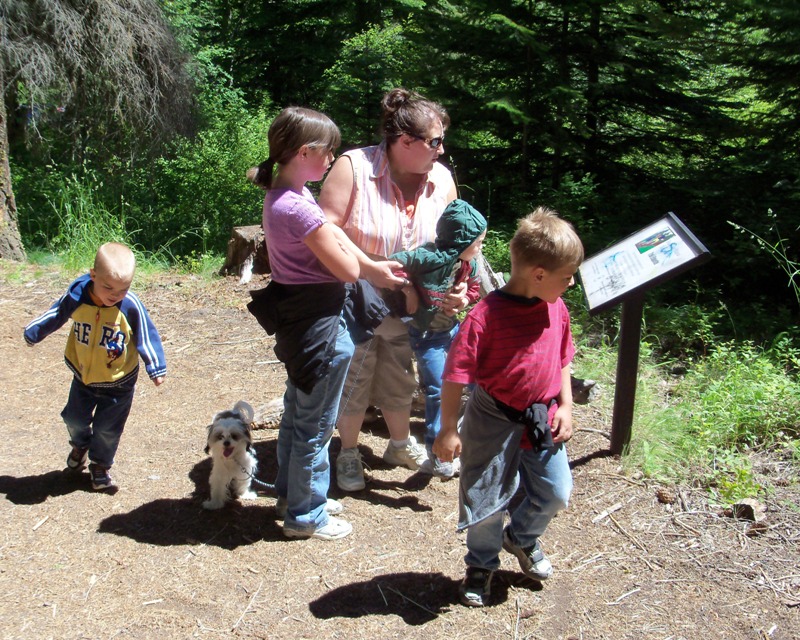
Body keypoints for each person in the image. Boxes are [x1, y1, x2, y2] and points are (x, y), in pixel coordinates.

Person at [432, 207, 584, 607]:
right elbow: (456, 375)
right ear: (538, 274)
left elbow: (563, 359)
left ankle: (520, 537)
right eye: (566, 277)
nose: (570, 284)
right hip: (492, 418)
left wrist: (566, 404)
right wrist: (448, 428)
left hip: (541, 417)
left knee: (555, 493)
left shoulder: (556, 308)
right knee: (485, 496)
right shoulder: (485, 317)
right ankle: (481, 563)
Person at [319, 87, 466, 492]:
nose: (441, 150)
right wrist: (368, 268)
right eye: (434, 141)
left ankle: (398, 444)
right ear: (404, 142)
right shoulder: (355, 166)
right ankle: (348, 451)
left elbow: (458, 244)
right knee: (355, 377)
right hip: (356, 299)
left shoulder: (442, 179)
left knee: (400, 375)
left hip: (414, 308)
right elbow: (325, 228)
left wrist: (458, 288)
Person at [247, 106, 379, 540]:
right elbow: (347, 270)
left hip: (299, 322)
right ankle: (307, 515)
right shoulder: (299, 208)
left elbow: (334, 242)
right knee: (317, 426)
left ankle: (293, 495)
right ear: (305, 151)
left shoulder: (285, 195)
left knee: (297, 416)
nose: (331, 160)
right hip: (320, 329)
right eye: (328, 152)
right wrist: (358, 257)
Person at [23, 242, 166, 492]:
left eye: (123, 289)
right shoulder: (77, 296)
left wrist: (155, 366)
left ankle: (100, 465)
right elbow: (55, 314)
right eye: (108, 287)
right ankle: (80, 445)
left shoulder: (130, 304)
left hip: (119, 381)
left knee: (107, 430)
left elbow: (147, 333)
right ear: (93, 275)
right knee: (74, 418)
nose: (115, 294)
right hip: (83, 377)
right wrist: (35, 332)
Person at [388, 198, 486, 478]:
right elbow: (396, 261)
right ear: (459, 240)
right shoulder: (430, 257)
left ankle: (466, 437)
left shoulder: (469, 265)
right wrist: (407, 288)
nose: (480, 248)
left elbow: (475, 288)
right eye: (476, 242)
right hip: (428, 336)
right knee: (436, 391)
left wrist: (464, 297)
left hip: (454, 331)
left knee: (473, 382)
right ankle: (438, 453)